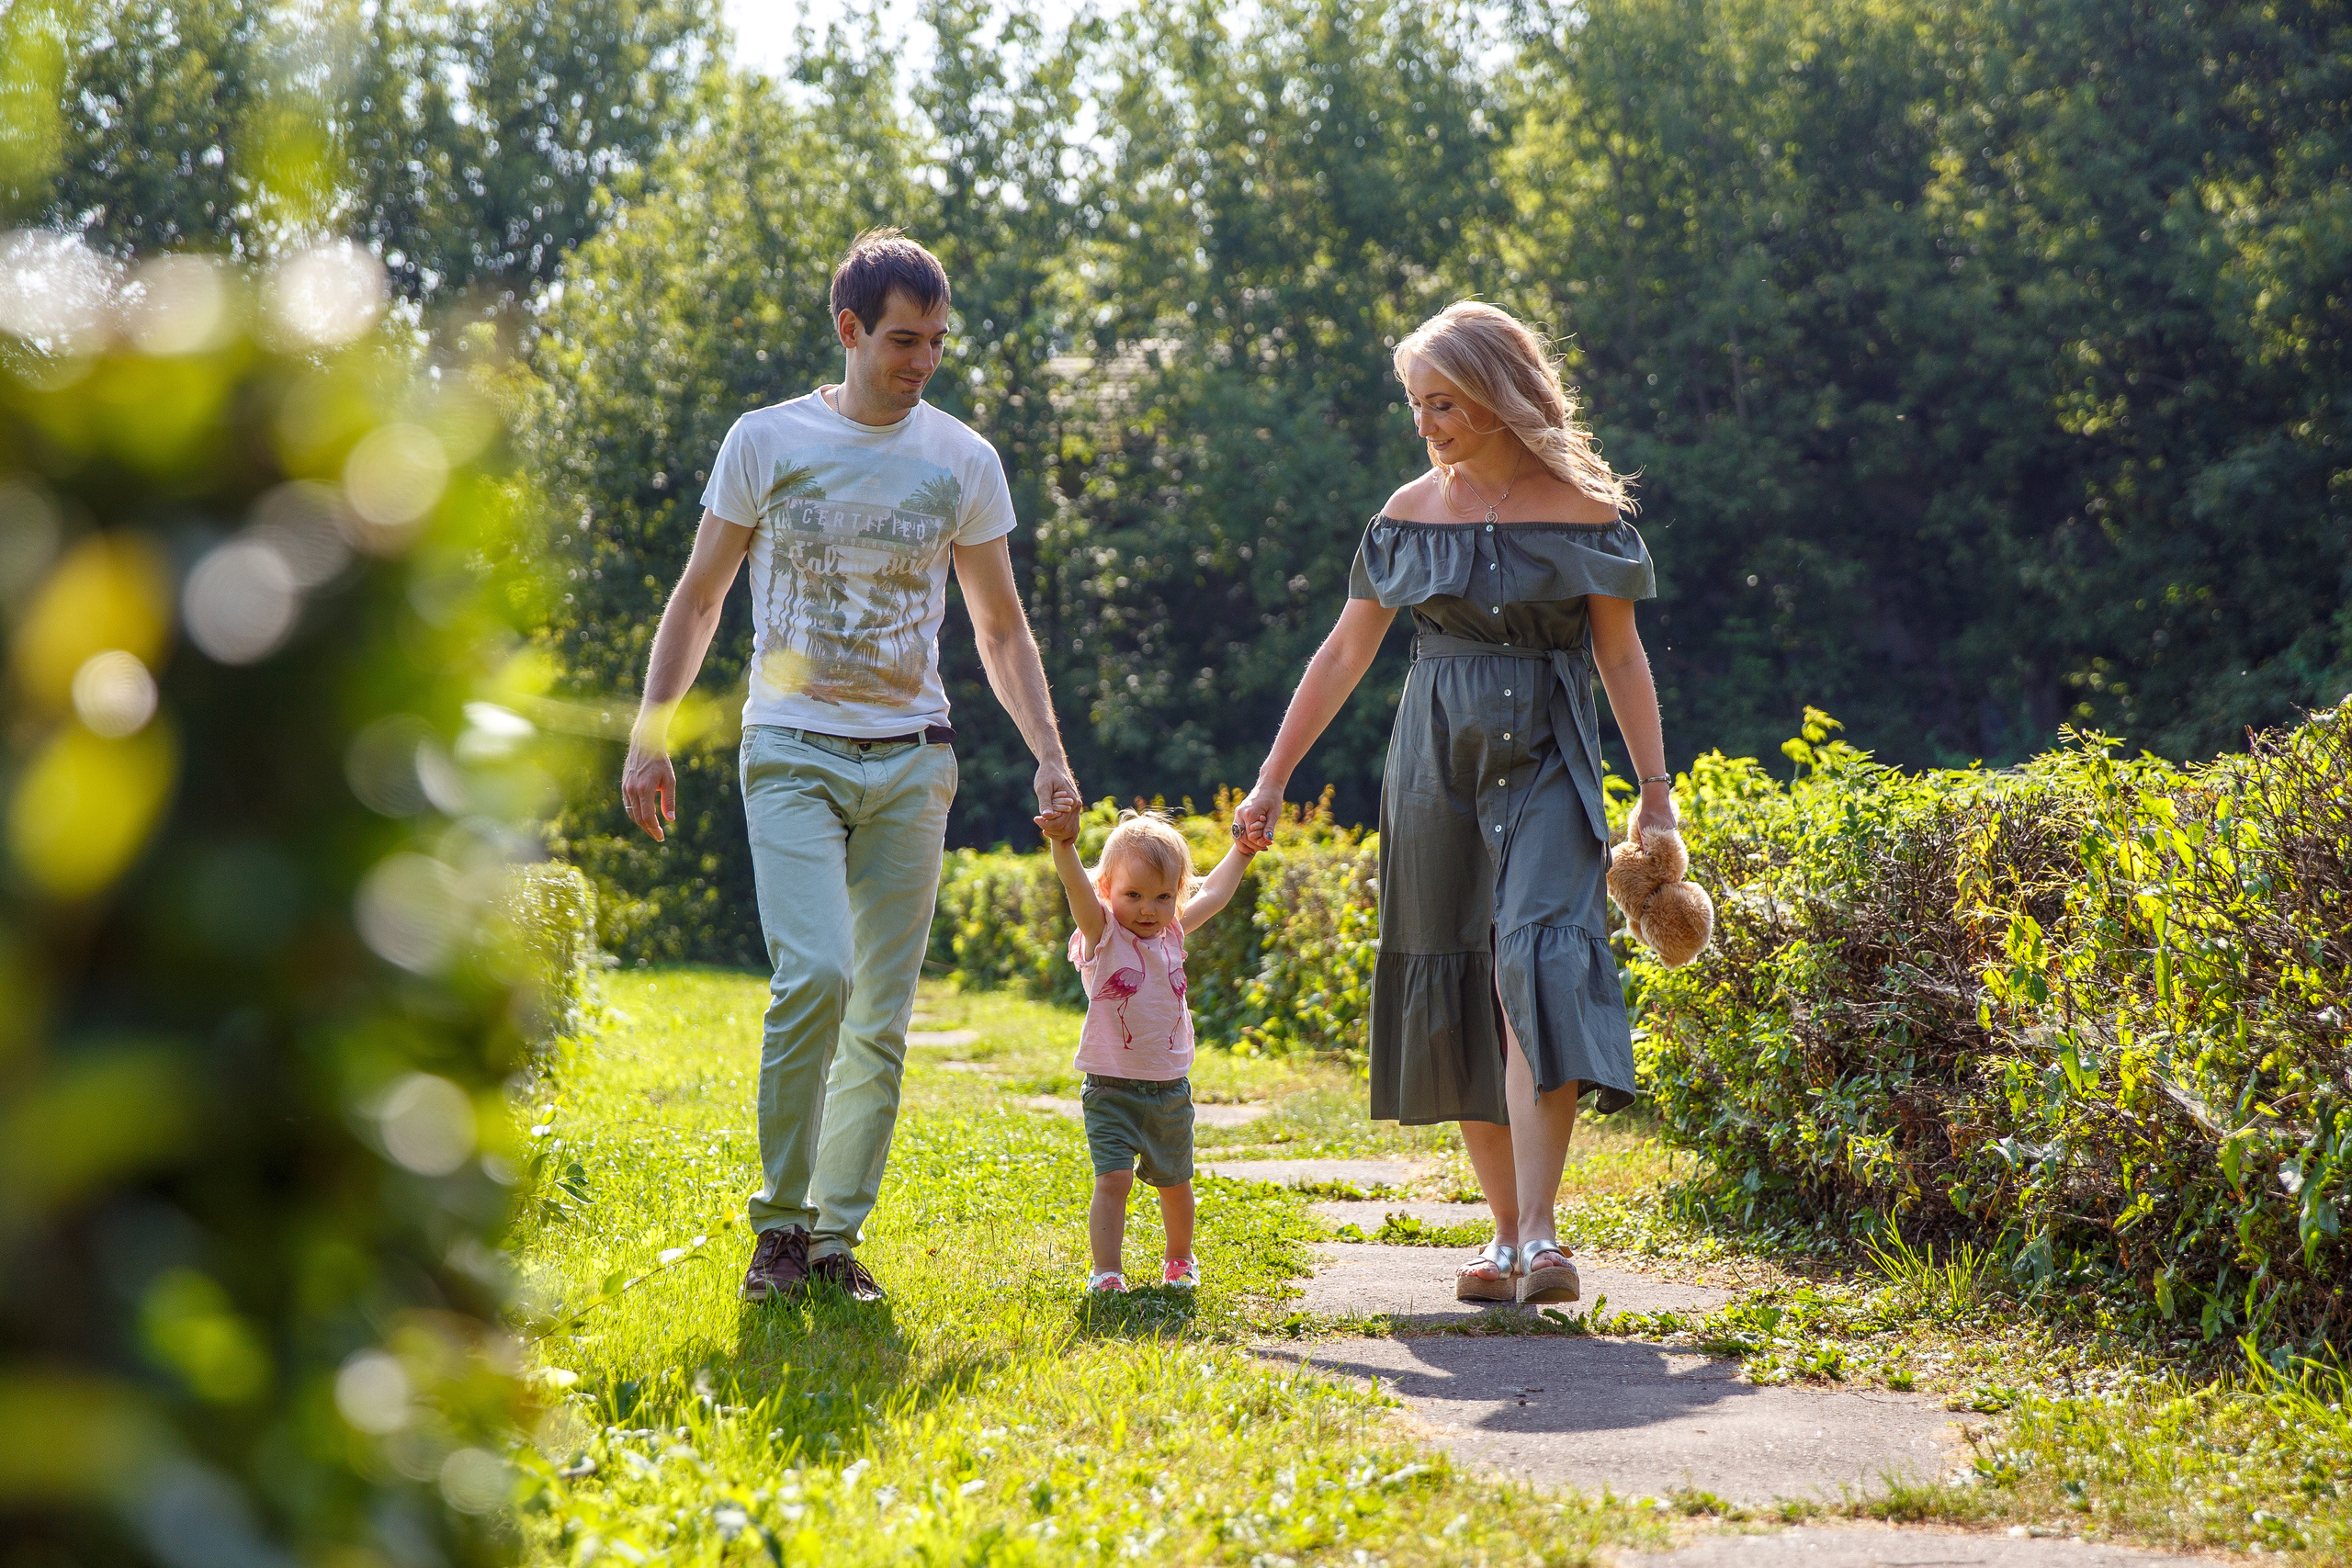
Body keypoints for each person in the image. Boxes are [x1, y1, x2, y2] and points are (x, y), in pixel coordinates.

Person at [620, 229, 1081, 1305]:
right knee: (816, 975)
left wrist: (1050, 756)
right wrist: (650, 731)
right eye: (903, 340)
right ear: (849, 330)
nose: (923, 360)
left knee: (879, 1014)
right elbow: (700, 596)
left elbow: (1000, 628)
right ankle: (778, 1228)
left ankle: (832, 1242)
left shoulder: (962, 460)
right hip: (790, 747)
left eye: (937, 341)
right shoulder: (765, 440)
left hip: (914, 759)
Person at [1231, 300, 1675, 1307]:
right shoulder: (1406, 512)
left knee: (1538, 966)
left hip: (1551, 758)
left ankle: (1544, 1234)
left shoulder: (1584, 511)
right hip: (1434, 765)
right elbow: (1344, 653)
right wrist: (1272, 776)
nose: (1424, 423)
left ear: (1496, 395)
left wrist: (1655, 795)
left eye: (1441, 402)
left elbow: (1619, 656)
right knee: (1463, 974)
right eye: (1415, 404)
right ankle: (1505, 1236)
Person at [1038, 809, 1258, 1293]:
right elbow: (1074, 885)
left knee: (1175, 1182)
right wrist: (1062, 844)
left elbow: (1214, 893)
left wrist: (1241, 850)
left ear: (1175, 895)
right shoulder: (1102, 933)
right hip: (1110, 1088)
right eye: (1133, 895)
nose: (1148, 909)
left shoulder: (1172, 931)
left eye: (1162, 896)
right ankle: (1106, 1272)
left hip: (1169, 1090)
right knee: (1113, 1180)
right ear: (1106, 890)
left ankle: (1179, 1260)